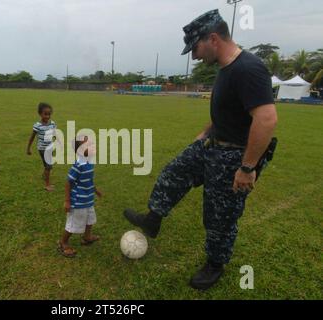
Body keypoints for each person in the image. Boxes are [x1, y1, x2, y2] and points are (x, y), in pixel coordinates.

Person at [123, 9, 278, 290]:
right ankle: (153, 219)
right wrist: (205, 133)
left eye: (195, 48)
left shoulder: (248, 68)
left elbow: (266, 119)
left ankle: (215, 264)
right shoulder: (226, 69)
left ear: (214, 38)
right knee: (175, 172)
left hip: (235, 157)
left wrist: (247, 167)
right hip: (212, 145)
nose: (194, 55)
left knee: (219, 214)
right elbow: (228, 110)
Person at [57, 136, 103, 258]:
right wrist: (67, 201)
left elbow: (88, 180)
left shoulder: (90, 162)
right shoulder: (78, 165)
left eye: (93, 144)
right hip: (78, 202)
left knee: (90, 220)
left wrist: (95, 189)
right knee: (73, 225)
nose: (93, 147)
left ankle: (87, 237)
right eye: (88, 146)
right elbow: (68, 182)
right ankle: (63, 242)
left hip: (88, 200)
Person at [27, 103, 57, 191]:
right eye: (45, 114)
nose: (48, 116)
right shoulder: (37, 125)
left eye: (49, 114)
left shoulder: (52, 123)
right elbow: (32, 137)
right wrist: (28, 148)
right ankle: (47, 184)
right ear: (40, 114)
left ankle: (44, 175)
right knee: (48, 166)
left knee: (48, 165)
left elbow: (54, 133)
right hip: (42, 149)